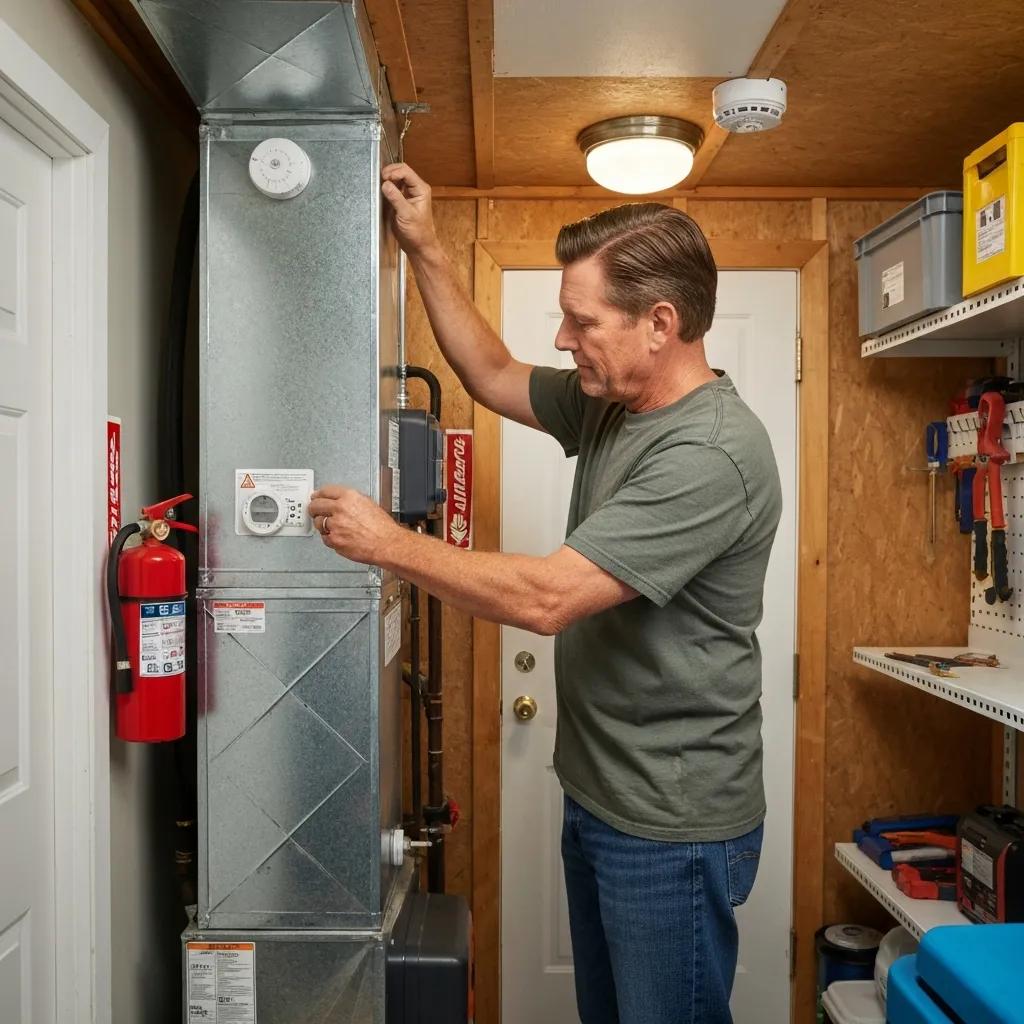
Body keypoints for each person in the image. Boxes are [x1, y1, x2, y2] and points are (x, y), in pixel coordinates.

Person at [309, 164, 782, 1024]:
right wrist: (427, 247)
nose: (564, 339)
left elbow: (547, 598)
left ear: (660, 324)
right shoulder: (616, 401)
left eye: (582, 320)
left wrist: (387, 544)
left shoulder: (710, 455)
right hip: (604, 792)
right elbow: (491, 372)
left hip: (670, 825)